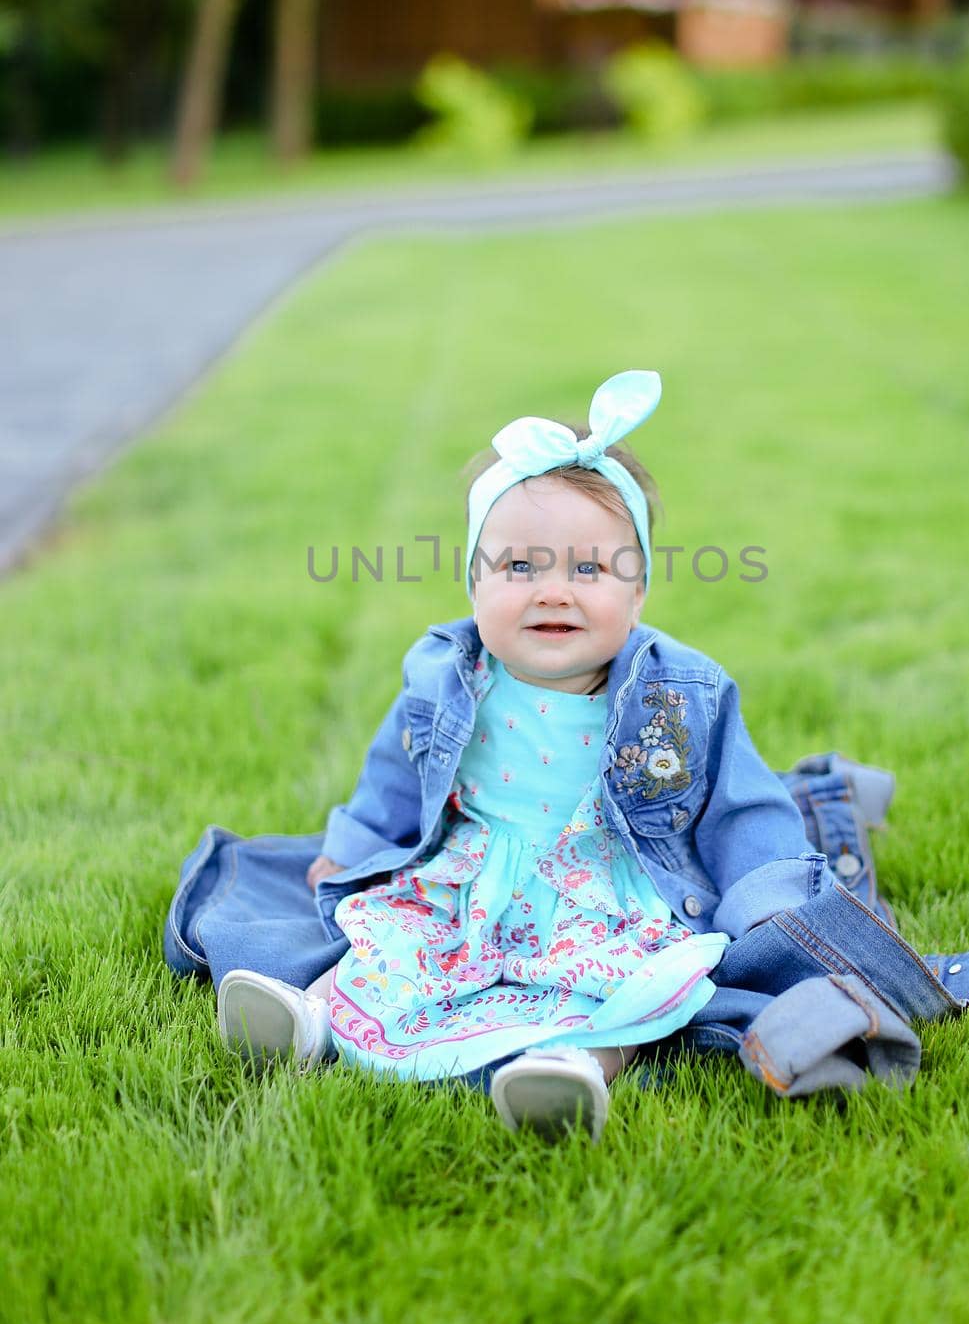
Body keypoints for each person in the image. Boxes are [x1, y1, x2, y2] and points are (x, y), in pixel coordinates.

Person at [211, 369, 842, 1141]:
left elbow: (742, 804)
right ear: (473, 583)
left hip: (607, 878)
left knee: (638, 980)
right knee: (391, 930)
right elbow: (395, 774)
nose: (553, 591)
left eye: (588, 569)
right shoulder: (450, 673)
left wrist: (767, 901)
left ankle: (576, 1069)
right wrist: (355, 845)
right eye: (519, 567)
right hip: (475, 868)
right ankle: (311, 1016)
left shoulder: (680, 693)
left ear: (638, 590)